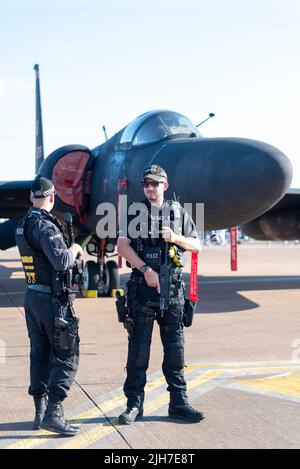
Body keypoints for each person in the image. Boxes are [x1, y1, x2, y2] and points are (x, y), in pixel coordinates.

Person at [117, 164, 204, 424]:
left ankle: (178, 403)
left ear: (164, 186)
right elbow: (122, 245)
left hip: (174, 290)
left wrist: (176, 237)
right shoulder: (134, 212)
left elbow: (197, 245)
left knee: (175, 352)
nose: (150, 188)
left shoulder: (179, 213)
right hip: (143, 290)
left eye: (155, 183)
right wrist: (145, 270)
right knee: (138, 352)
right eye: (146, 184)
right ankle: (134, 404)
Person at [15, 176, 83, 436]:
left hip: (32, 297)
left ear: (32, 197)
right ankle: (53, 412)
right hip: (51, 302)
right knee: (68, 354)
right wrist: (75, 246)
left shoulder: (22, 225)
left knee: (39, 355)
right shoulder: (46, 227)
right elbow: (62, 261)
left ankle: (39, 412)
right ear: (52, 198)